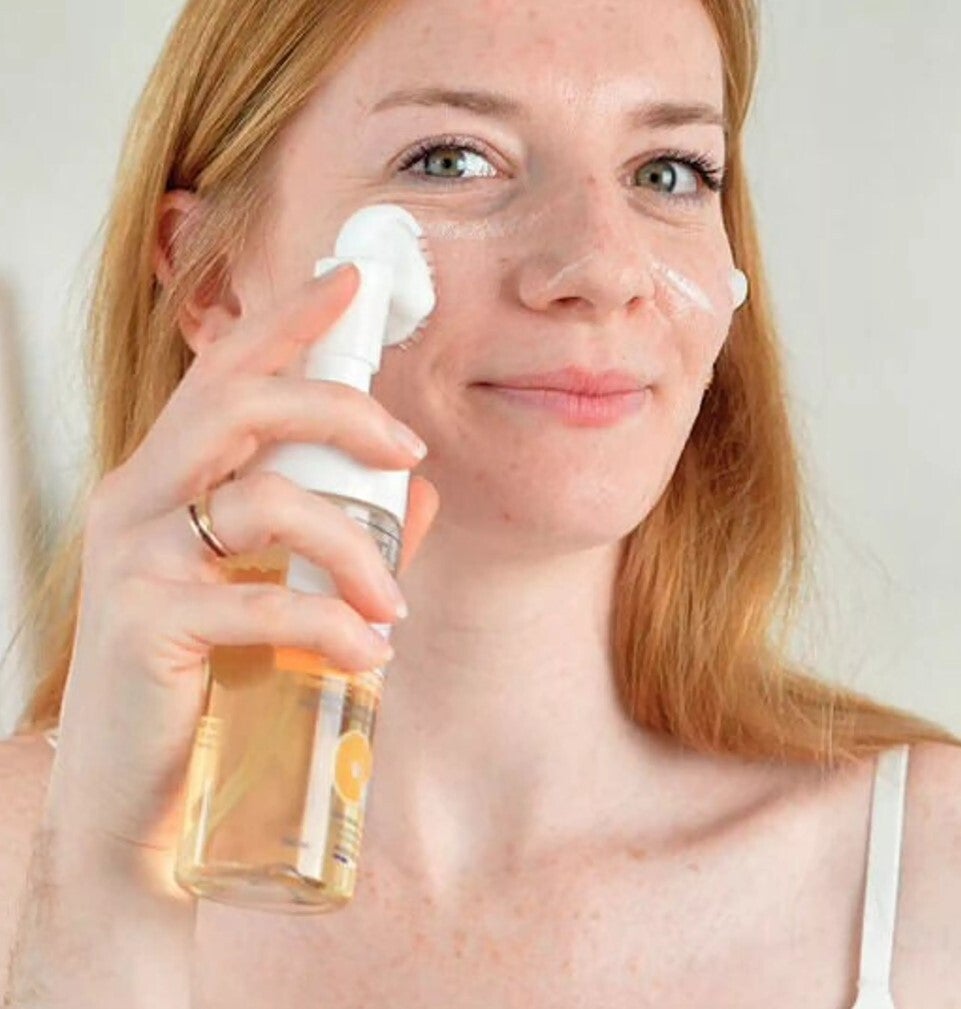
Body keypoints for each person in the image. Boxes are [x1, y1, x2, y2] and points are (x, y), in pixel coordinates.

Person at [2, 0, 961, 1005]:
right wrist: (105, 886)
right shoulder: (30, 864)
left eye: (667, 172)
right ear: (210, 279)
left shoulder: (929, 880)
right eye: (452, 159)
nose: (602, 267)